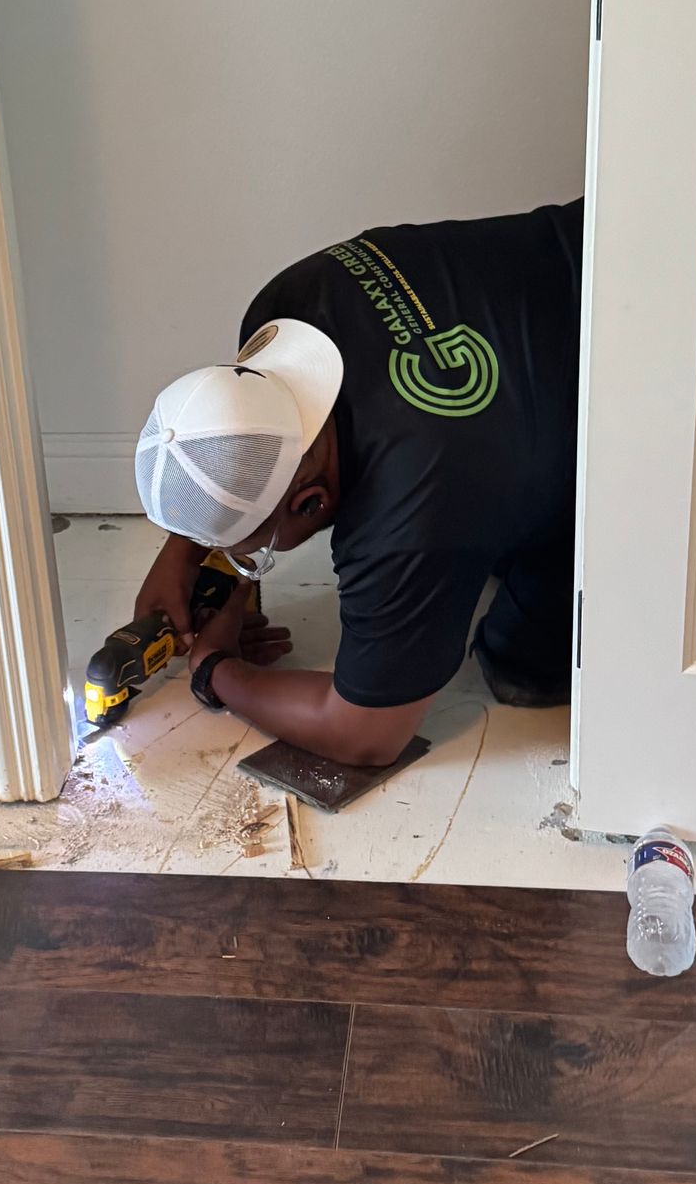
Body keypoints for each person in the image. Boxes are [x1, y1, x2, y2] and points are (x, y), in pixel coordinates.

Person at [131, 202, 584, 767]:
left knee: (522, 666)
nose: (240, 562)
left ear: (311, 503)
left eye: (254, 554)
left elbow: (362, 734)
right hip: (604, 232)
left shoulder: (410, 517)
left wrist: (216, 671)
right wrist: (183, 550)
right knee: (485, 503)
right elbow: (230, 431)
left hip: (664, 404)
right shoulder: (287, 307)